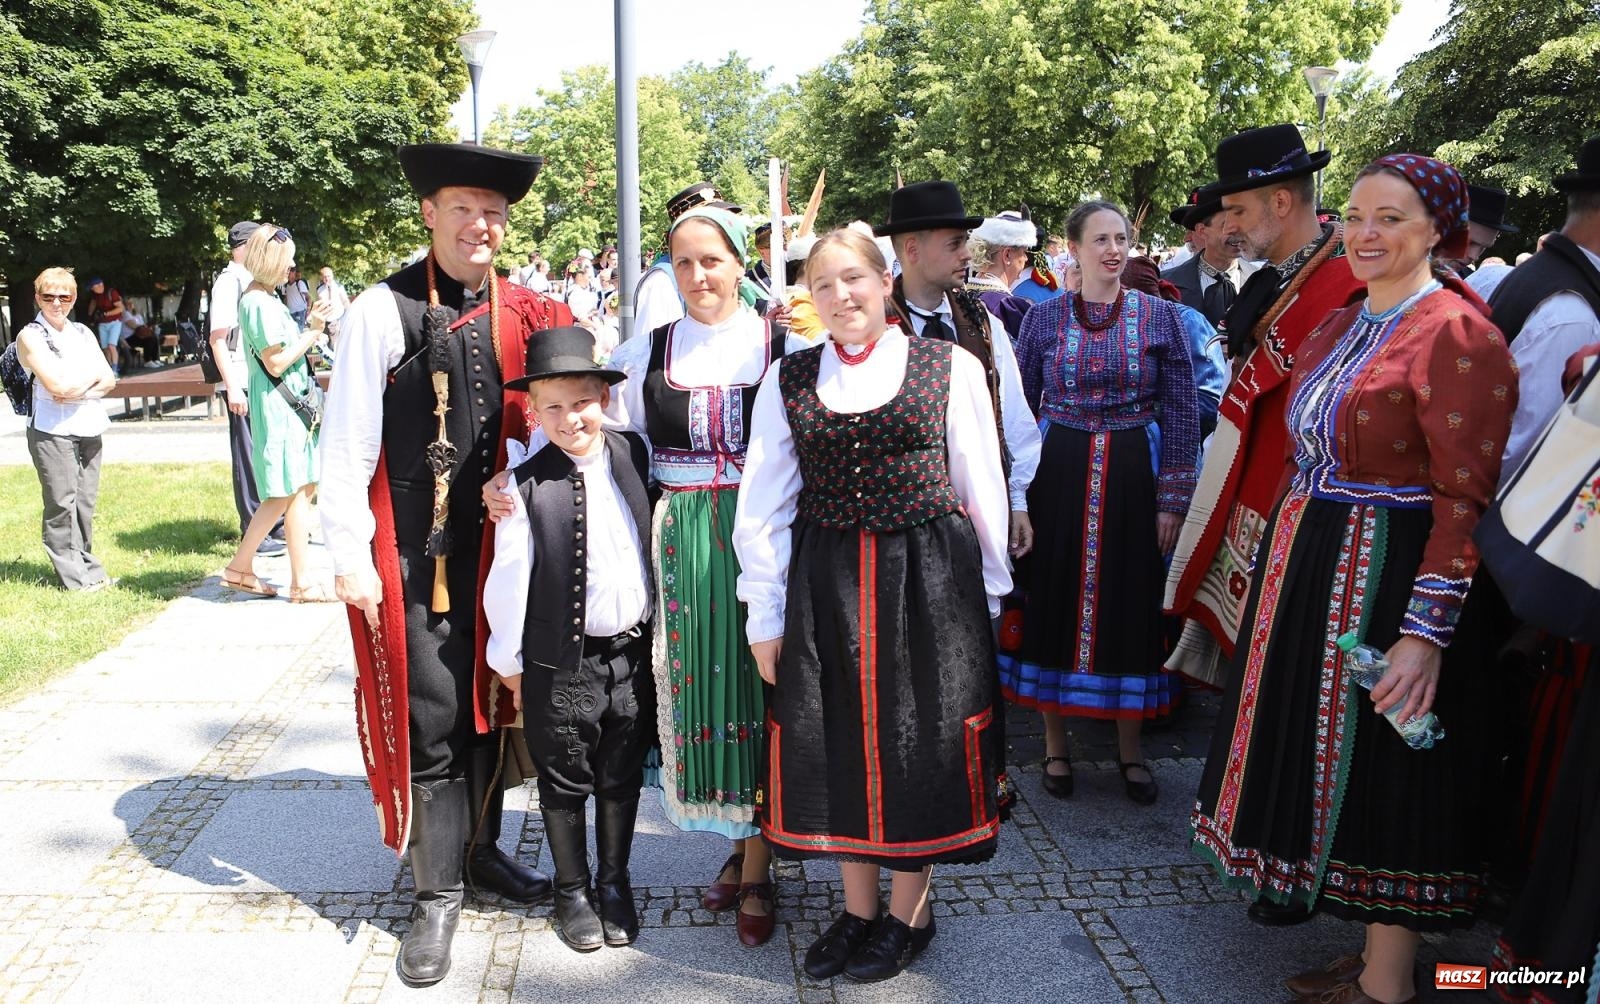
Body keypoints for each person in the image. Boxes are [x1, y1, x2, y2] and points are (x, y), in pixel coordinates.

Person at [1192, 154, 1517, 1004]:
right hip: (1313, 561)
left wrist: (1424, 634)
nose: (1367, 235)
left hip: (1392, 569)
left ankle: (1387, 985)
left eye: (1393, 219)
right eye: (1358, 217)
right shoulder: (1340, 323)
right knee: (1330, 760)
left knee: (1389, 767)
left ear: (1437, 231)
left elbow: (1463, 499)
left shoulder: (1459, 334)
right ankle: (1380, 958)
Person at [317, 143, 571, 985]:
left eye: (493, 210)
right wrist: (348, 556)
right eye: (463, 207)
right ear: (428, 213)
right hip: (410, 557)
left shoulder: (524, 311)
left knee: (493, 704)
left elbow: (557, 421)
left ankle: (483, 852)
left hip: (503, 555)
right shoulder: (378, 312)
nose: (480, 224)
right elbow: (347, 441)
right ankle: (435, 895)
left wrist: (525, 468)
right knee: (431, 711)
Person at [733, 227, 1010, 984]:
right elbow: (762, 504)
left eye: (853, 278)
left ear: (885, 280)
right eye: (823, 285)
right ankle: (858, 912)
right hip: (827, 585)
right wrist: (764, 612)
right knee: (841, 744)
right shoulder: (787, 380)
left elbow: (979, 482)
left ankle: (908, 916)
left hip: (928, 581)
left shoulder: (945, 365)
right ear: (809, 299)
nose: (841, 296)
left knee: (921, 742)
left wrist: (988, 596)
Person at [605, 205, 805, 947]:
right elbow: (593, 426)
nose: (697, 277)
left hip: (766, 542)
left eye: (711, 260)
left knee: (763, 690)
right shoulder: (647, 350)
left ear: (736, 264)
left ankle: (760, 865)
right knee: (705, 692)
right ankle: (741, 844)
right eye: (683, 262)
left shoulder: (782, 344)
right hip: (683, 542)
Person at [1161, 122, 1364, 733]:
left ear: (1281, 202)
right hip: (1262, 509)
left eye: (1237, 211)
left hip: (1305, 517)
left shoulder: (1349, 284)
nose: (1226, 229)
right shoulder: (1287, 273)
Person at [1001, 200, 1200, 806]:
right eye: (1100, 240)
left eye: (1122, 239)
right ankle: (1056, 747)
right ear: (1074, 250)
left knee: (1130, 602)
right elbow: (1021, 413)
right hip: (1057, 473)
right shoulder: (1041, 320)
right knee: (1054, 598)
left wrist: (1173, 499)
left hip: (1132, 475)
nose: (1113, 250)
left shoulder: (1163, 318)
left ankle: (1131, 753)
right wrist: (1018, 498)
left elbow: (1185, 413)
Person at [483, 327, 654, 953]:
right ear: (534, 412)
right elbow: (508, 580)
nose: (568, 418)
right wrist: (509, 660)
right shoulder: (523, 487)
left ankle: (615, 882)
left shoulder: (635, 455)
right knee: (564, 777)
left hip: (631, 655)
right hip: (561, 662)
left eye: (580, 402)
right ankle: (572, 888)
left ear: (603, 400)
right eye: (551, 407)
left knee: (620, 772)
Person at [878, 181, 1041, 564]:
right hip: (902, 520)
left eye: (965, 241)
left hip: (980, 513)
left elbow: (1013, 414)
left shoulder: (981, 322)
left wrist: (1017, 499)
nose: (968, 253)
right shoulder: (876, 327)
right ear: (913, 250)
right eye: (954, 244)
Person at [215, 225, 335, 602]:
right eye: (287, 261)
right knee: (287, 491)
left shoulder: (266, 298)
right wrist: (314, 331)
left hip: (289, 407)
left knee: (294, 491)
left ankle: (267, 573)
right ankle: (265, 573)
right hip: (281, 408)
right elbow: (277, 360)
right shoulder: (257, 302)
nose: (293, 267)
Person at [17, 268, 115, 591]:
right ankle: (73, 579)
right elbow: (56, 385)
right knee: (61, 503)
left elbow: (109, 379)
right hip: (51, 429)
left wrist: (79, 388)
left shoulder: (83, 334)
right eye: (49, 296)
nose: (57, 303)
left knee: (84, 502)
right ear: (37, 298)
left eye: (65, 296)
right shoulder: (30, 336)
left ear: (74, 299)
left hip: (88, 424)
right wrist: (89, 379)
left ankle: (88, 566)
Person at [211, 221, 285, 557]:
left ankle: (275, 522)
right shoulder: (229, 283)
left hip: (259, 378)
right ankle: (254, 525)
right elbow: (218, 339)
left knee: (266, 451)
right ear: (244, 245)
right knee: (247, 454)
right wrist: (232, 388)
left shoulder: (256, 282)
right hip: (241, 378)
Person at [1163, 185, 1255, 329]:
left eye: (1242, 223)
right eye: (1226, 225)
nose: (1237, 232)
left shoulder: (1262, 281)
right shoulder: (1166, 286)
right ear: (1201, 230)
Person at [966, 212, 1038, 342]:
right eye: (1024, 252)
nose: (1026, 258)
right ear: (1007, 255)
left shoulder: (964, 296)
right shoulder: (1007, 307)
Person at [85, 278, 125, 374]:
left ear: (100, 285)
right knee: (105, 348)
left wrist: (106, 314)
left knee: (111, 345)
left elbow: (120, 308)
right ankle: (110, 368)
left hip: (115, 322)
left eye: (93, 287)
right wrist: (90, 316)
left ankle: (115, 370)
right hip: (103, 324)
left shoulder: (111, 293)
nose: (92, 290)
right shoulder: (96, 295)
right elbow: (93, 304)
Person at [316, 266, 351, 341]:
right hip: (325, 320)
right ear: (321, 277)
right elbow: (320, 304)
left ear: (332, 276)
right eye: (324, 277)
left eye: (328, 276)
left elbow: (345, 301)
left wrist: (349, 314)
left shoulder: (339, 287)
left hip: (336, 317)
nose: (327, 278)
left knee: (334, 342)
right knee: (326, 342)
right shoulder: (320, 289)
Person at [563, 261, 601, 325]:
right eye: (588, 277)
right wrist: (596, 327)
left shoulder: (582, 290)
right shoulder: (576, 293)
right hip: (582, 327)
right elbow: (582, 318)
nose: (590, 279)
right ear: (580, 276)